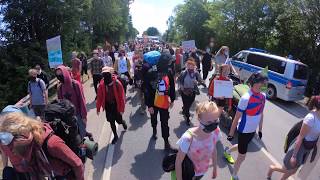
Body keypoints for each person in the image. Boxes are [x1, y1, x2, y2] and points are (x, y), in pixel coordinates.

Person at [0, 112, 84, 180]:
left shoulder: (51, 144)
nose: (10, 151)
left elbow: (77, 164)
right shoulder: (27, 151)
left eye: (11, 145)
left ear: (21, 136)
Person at [224, 72, 268, 180]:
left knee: (241, 146)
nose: (262, 85)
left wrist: (260, 129)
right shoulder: (246, 98)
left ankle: (227, 151)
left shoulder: (263, 96)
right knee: (242, 156)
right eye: (260, 82)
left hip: (252, 130)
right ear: (254, 82)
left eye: (263, 83)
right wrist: (230, 133)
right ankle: (234, 175)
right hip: (244, 130)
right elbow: (237, 118)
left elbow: (261, 113)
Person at [267, 96, 320, 180]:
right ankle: (272, 168)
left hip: (308, 148)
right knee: (286, 169)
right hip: (300, 146)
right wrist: (294, 156)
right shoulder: (311, 118)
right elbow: (300, 137)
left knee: (293, 171)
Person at [175, 101, 221, 180]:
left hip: (202, 172)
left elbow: (214, 149)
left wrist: (215, 168)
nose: (213, 125)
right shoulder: (188, 138)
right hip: (188, 172)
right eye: (209, 122)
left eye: (215, 120)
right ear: (199, 119)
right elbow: (178, 161)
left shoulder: (216, 132)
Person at [143, 52, 176, 151]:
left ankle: (166, 142)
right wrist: (149, 105)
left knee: (165, 122)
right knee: (154, 119)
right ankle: (154, 130)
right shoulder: (150, 72)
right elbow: (146, 89)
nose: (169, 64)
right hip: (153, 102)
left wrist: (172, 99)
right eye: (168, 62)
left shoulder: (169, 71)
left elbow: (172, 86)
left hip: (164, 101)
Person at [96, 67, 128, 144]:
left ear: (110, 74)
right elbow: (99, 96)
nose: (105, 76)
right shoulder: (102, 84)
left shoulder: (117, 83)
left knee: (119, 120)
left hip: (116, 105)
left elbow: (122, 98)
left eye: (107, 74)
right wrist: (98, 108)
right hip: (108, 106)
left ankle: (122, 122)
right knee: (111, 121)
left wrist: (121, 110)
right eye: (104, 74)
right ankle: (115, 136)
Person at [55, 65, 87, 138]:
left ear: (65, 73)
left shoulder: (75, 84)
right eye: (58, 75)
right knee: (74, 136)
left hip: (78, 114)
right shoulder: (60, 88)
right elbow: (60, 104)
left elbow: (82, 100)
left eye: (61, 74)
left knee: (82, 133)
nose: (59, 76)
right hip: (68, 117)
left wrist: (84, 116)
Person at [177, 58, 205, 126]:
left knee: (189, 104)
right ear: (186, 65)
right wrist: (181, 86)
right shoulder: (183, 73)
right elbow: (179, 80)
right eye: (188, 65)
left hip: (192, 91)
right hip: (184, 91)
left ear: (194, 66)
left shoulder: (196, 73)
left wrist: (197, 82)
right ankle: (187, 118)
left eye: (191, 65)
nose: (190, 66)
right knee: (186, 106)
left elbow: (201, 81)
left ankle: (185, 110)